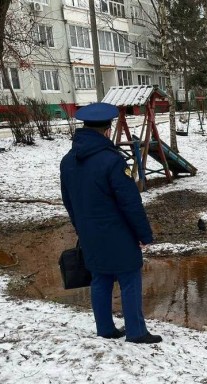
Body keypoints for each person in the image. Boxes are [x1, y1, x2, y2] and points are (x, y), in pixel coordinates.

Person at [60, 102, 162, 344]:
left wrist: (81, 228)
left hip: (89, 232)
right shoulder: (112, 161)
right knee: (129, 277)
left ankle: (105, 329)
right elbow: (130, 202)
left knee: (100, 278)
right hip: (118, 232)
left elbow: (69, 201)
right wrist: (144, 235)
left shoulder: (68, 161)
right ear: (107, 130)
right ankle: (136, 332)